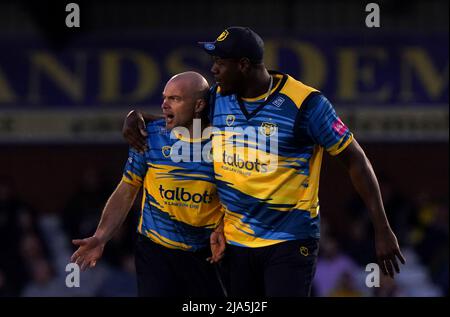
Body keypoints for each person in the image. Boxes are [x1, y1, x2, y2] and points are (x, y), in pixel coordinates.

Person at [123, 27, 405, 296]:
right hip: (236, 243)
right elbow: (182, 115)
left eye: (220, 63)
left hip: (289, 240)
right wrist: (137, 117)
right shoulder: (219, 97)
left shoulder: (306, 104)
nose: (213, 70)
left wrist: (381, 228)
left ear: (243, 65)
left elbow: (355, 160)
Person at [71, 71, 226, 297]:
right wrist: (101, 236)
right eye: (164, 97)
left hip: (206, 252)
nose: (164, 105)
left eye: (175, 99)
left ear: (199, 104)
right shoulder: (149, 136)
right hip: (155, 249)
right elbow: (127, 188)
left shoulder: (224, 143)